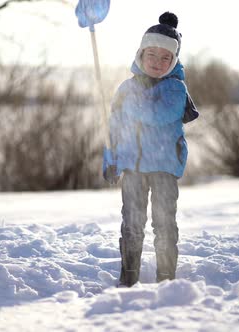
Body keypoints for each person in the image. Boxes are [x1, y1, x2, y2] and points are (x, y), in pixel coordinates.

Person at [102, 12, 198, 287]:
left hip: (164, 167)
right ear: (141, 55)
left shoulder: (176, 89)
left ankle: (166, 280)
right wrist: (110, 160)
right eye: (152, 56)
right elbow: (114, 128)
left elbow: (158, 116)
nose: (157, 63)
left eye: (165, 58)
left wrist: (132, 103)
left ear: (174, 61)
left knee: (164, 225)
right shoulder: (126, 88)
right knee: (132, 224)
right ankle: (128, 277)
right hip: (132, 167)